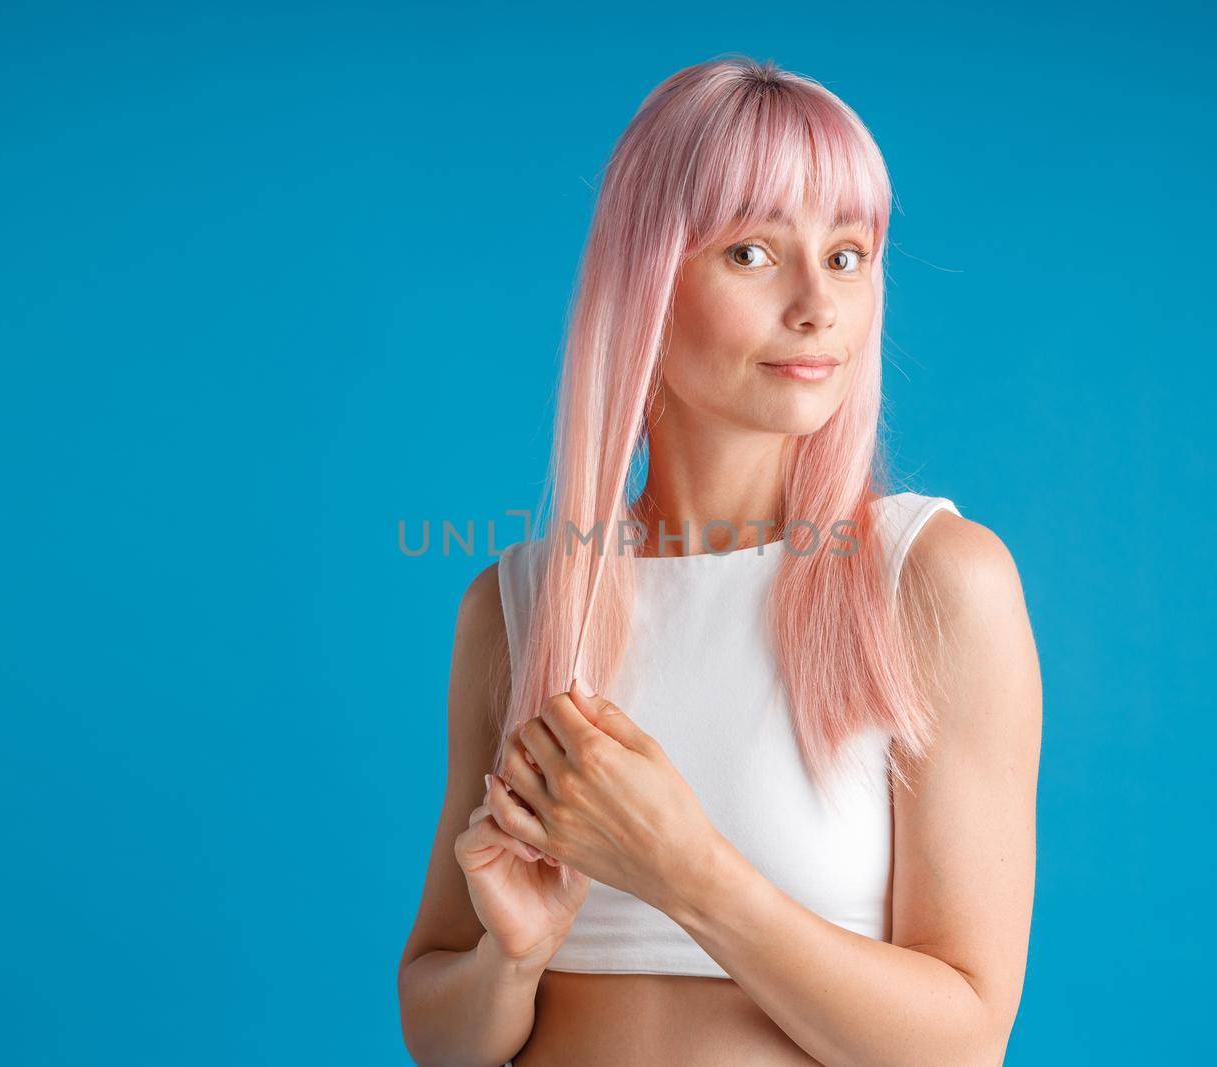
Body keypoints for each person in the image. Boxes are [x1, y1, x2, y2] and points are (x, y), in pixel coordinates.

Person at [397, 54, 1040, 1067]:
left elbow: (961, 1045)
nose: (816, 305)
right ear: (646, 278)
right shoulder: (519, 601)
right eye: (751, 252)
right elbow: (439, 1029)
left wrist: (687, 869)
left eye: (846, 254)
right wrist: (510, 962)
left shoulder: (932, 580)